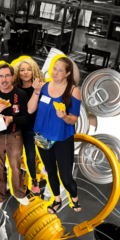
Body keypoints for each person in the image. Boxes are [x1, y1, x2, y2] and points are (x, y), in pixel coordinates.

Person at [28, 57, 82, 214]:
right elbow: (31, 109)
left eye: (60, 70)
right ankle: (56, 199)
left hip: (62, 138)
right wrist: (36, 91)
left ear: (68, 73)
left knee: (66, 176)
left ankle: (74, 197)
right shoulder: (43, 87)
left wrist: (64, 117)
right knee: (50, 171)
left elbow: (73, 119)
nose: (55, 73)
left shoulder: (73, 91)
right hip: (42, 136)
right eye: (54, 69)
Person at [0, 63, 30, 211]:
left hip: (14, 136)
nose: (4, 79)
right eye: (1, 76)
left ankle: (19, 193)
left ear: (12, 77)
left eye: (7, 75)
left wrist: (12, 119)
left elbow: (26, 118)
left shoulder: (20, 95)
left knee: (15, 168)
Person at [13, 58, 45, 194]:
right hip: (25, 129)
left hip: (40, 129)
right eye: (22, 70)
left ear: (34, 71)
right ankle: (33, 180)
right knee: (29, 156)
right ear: (18, 73)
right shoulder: (16, 90)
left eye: (29, 69)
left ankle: (43, 175)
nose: (26, 72)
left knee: (45, 153)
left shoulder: (42, 88)